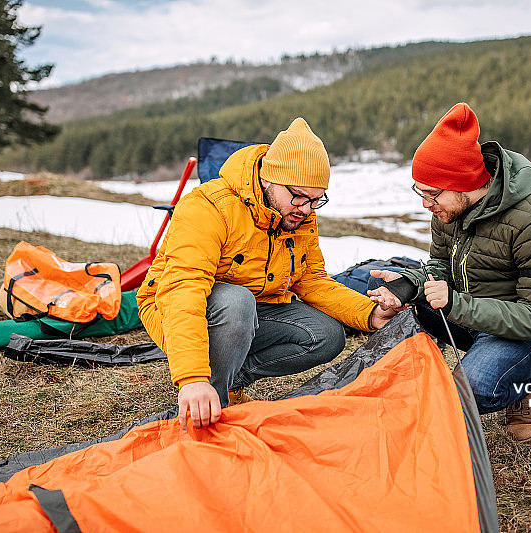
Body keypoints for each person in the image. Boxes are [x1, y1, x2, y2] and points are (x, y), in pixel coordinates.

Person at [137, 118, 398, 432]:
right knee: (236, 301)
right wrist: (191, 377)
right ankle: (211, 401)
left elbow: (312, 279)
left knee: (328, 335)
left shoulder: (299, 214)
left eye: (317, 199)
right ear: (271, 179)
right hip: (178, 305)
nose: (307, 209)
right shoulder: (208, 207)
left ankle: (229, 381)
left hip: (253, 306)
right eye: (300, 196)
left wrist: (369, 314)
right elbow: (183, 289)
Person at [368, 103, 531, 442]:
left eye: (432, 193)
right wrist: (408, 287)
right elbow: (439, 266)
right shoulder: (447, 211)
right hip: (474, 313)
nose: (426, 204)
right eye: (420, 191)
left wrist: (456, 306)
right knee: (410, 307)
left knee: (472, 389)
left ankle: (525, 386)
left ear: (464, 184)